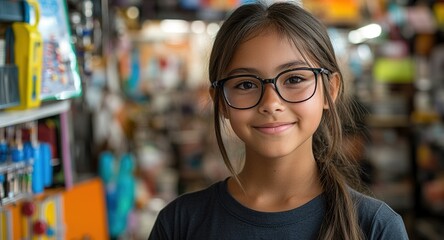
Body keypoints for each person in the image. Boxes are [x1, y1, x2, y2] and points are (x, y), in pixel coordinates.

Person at [148, 1, 409, 239]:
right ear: (220, 101)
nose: (271, 103)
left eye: (294, 79)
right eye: (246, 84)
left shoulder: (376, 227)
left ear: (330, 90)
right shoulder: (179, 224)